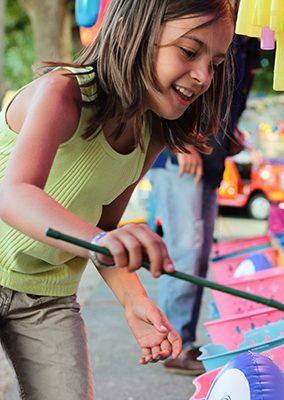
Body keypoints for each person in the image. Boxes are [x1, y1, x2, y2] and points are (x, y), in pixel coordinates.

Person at [0, 0, 234, 398]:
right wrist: (97, 241)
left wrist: (134, 300)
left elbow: (106, 228)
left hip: (48, 297)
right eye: (190, 51)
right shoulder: (62, 92)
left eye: (215, 62)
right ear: (135, 30)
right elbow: (14, 193)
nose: (203, 76)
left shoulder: (151, 134)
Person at [149, 35, 259, 375]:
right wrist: (176, 141)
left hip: (211, 156)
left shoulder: (250, 33)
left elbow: (230, 96)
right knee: (185, 250)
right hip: (180, 153)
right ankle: (173, 344)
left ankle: (182, 341)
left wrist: (229, 135)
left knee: (196, 254)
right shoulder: (206, 17)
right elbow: (160, 75)